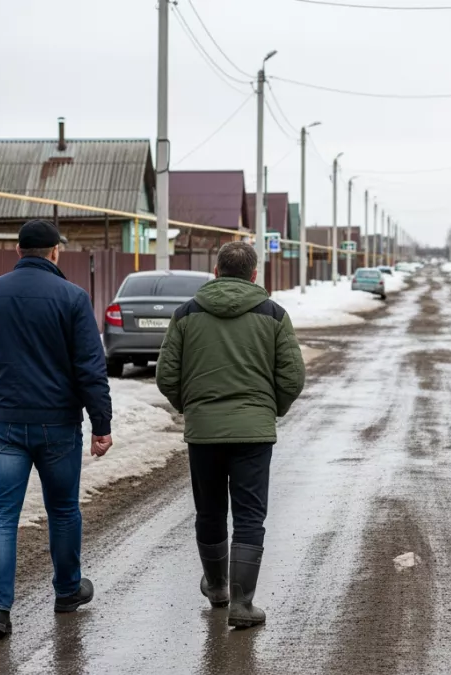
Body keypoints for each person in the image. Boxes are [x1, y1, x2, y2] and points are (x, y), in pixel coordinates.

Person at [0, 220, 113, 639]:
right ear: (56, 252)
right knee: (62, 510)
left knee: (2, 514)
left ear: (18, 251)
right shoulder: (73, 298)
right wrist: (102, 424)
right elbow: (90, 369)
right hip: (58, 424)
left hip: (4, 423)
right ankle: (66, 591)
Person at [156, 241, 305, 628]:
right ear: (255, 275)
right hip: (253, 433)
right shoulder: (274, 314)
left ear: (217, 271)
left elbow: (166, 375)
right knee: (250, 515)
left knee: (209, 511)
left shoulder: (187, 314)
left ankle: (218, 587)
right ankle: (242, 604)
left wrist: (192, 408)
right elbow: (292, 376)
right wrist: (270, 409)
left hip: (204, 431)